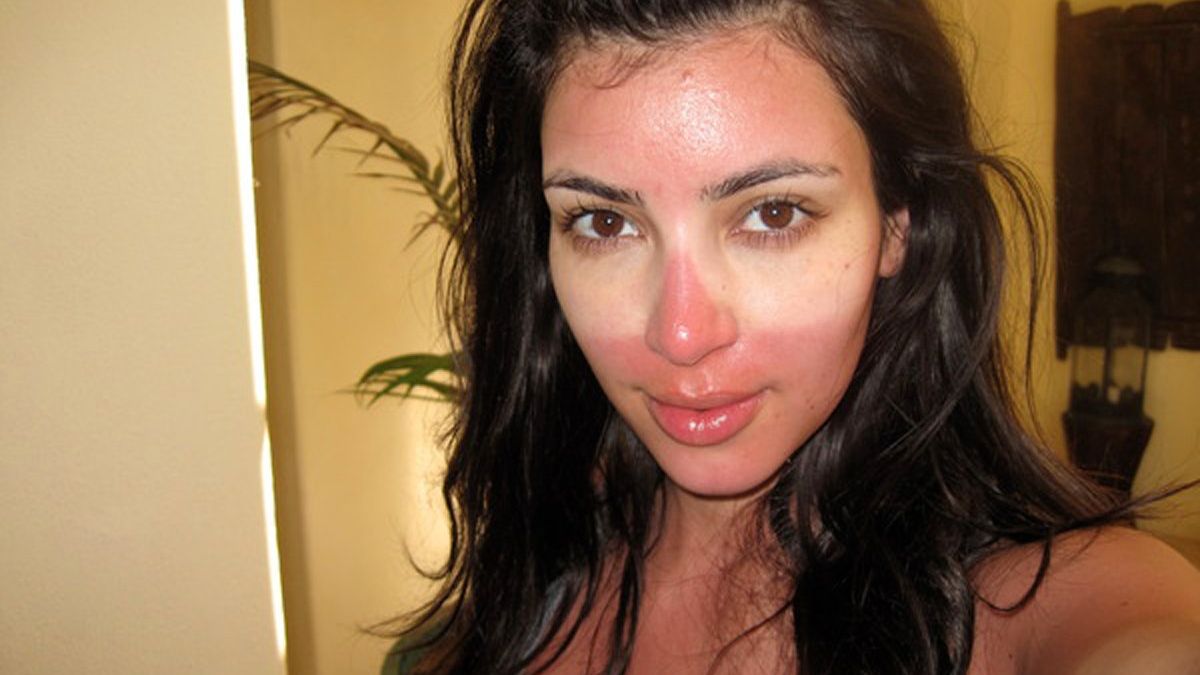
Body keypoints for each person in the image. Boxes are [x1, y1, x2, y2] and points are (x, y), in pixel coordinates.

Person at [384, 0, 1200, 672]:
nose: (681, 334)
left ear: (897, 224)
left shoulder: (1038, 608)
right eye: (603, 222)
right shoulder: (531, 572)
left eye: (773, 214)